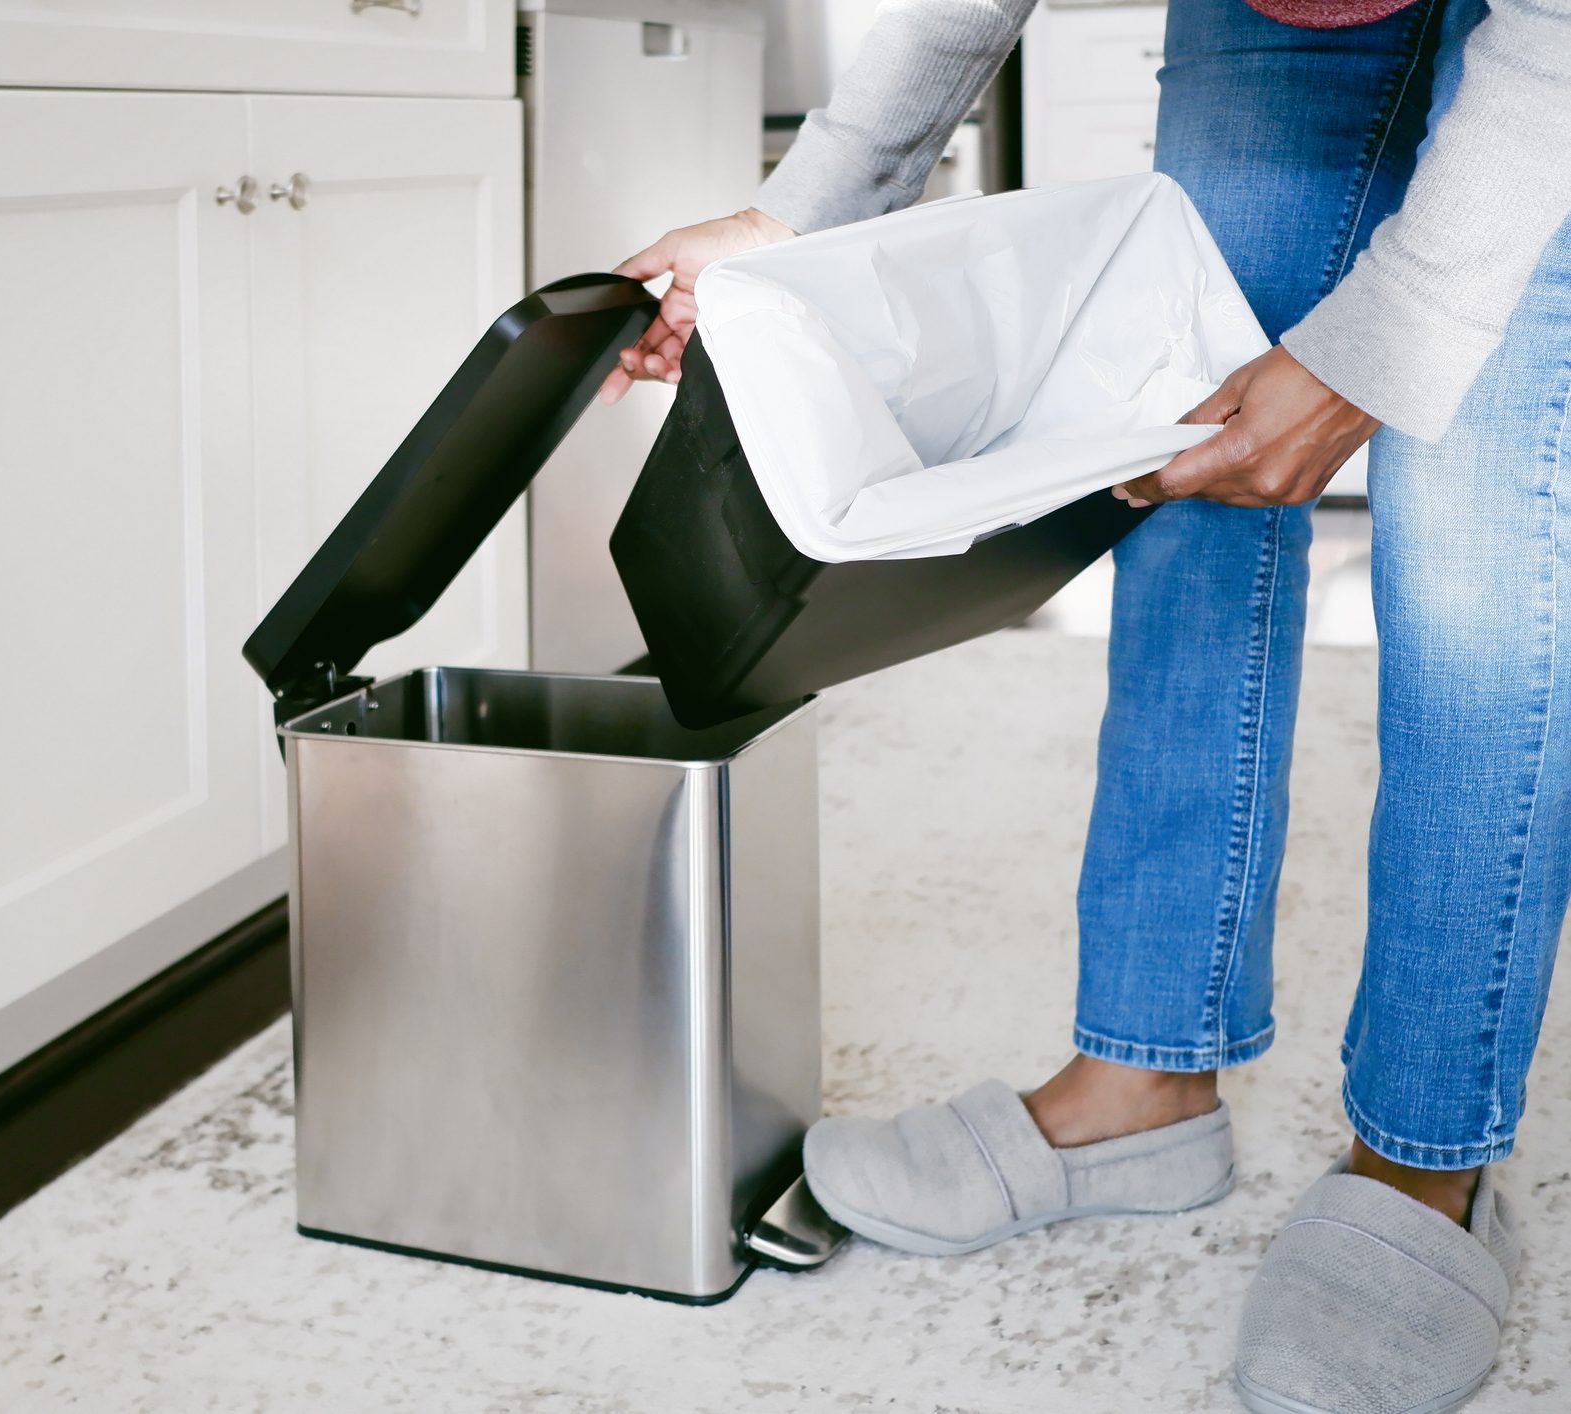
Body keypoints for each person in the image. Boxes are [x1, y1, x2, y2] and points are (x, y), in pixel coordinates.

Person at [603, 0, 1571, 1409]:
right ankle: (1142, 1079)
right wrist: (797, 210)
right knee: (1164, 441)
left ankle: (1423, 1163)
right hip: (1277, 25)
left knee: (1482, 548)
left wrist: (1381, 349)